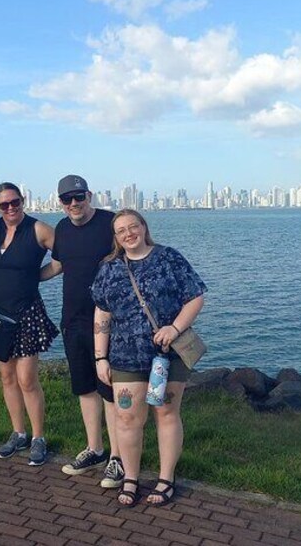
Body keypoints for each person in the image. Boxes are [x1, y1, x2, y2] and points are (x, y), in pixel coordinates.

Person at [91, 209, 206, 507]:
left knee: (166, 414)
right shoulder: (109, 269)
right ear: (115, 237)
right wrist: (100, 357)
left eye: (133, 226)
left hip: (167, 355)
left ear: (144, 227)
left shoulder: (169, 258)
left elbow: (195, 297)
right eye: (121, 230)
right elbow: (102, 313)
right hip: (125, 357)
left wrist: (175, 327)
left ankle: (166, 479)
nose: (129, 233)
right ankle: (131, 477)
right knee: (127, 417)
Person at [40, 175, 123, 488]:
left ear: (89, 195)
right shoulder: (61, 228)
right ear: (60, 201)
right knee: (85, 388)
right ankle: (95, 449)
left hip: (109, 323)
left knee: (110, 389)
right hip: (72, 320)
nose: (74, 204)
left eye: (79, 197)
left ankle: (118, 457)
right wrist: (25, 277)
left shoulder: (110, 223)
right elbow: (58, 265)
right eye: (67, 199)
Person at [0, 182, 58, 466]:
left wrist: (37, 276)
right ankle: (18, 432)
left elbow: (63, 256)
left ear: (23, 201)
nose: (11, 208)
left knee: (27, 379)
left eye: (15, 202)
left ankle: (38, 436)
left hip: (26, 312)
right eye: (4, 205)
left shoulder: (38, 229)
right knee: (7, 377)